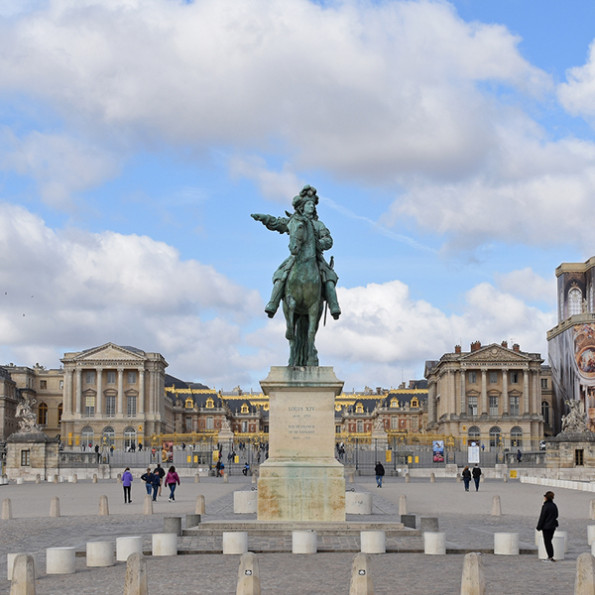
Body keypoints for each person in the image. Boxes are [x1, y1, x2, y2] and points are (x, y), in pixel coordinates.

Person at [251, 185, 341, 320]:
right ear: (302, 207)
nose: (311, 207)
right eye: (308, 204)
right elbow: (279, 224)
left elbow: (328, 240)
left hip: (315, 258)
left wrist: (320, 244)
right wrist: (265, 218)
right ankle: (273, 303)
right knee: (281, 274)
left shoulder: (319, 225)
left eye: (312, 204)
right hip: (296, 256)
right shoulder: (294, 221)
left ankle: (334, 305)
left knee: (330, 277)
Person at [536, 491, 558, 562]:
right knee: (549, 541)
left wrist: (539, 527)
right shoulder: (554, 505)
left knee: (547, 542)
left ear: (546, 498)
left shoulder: (545, 506)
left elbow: (542, 517)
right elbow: (556, 515)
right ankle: (551, 556)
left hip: (546, 527)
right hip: (553, 526)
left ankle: (550, 557)